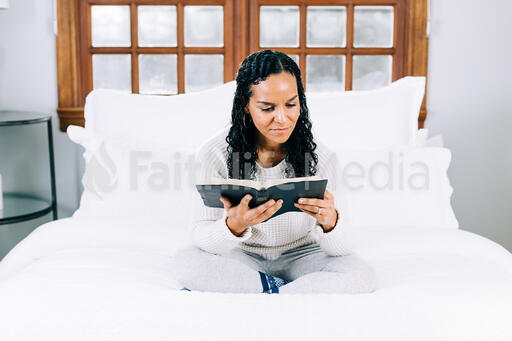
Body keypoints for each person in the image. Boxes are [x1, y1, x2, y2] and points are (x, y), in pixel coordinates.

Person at [171, 49, 377, 294]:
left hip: (303, 255)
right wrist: (233, 226)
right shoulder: (213, 154)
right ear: (246, 106)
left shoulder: (322, 156)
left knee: (361, 275)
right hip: (242, 256)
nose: (282, 119)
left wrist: (330, 222)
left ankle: (266, 292)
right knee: (187, 262)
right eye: (267, 108)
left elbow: (342, 248)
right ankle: (287, 291)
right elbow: (201, 236)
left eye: (291, 105)